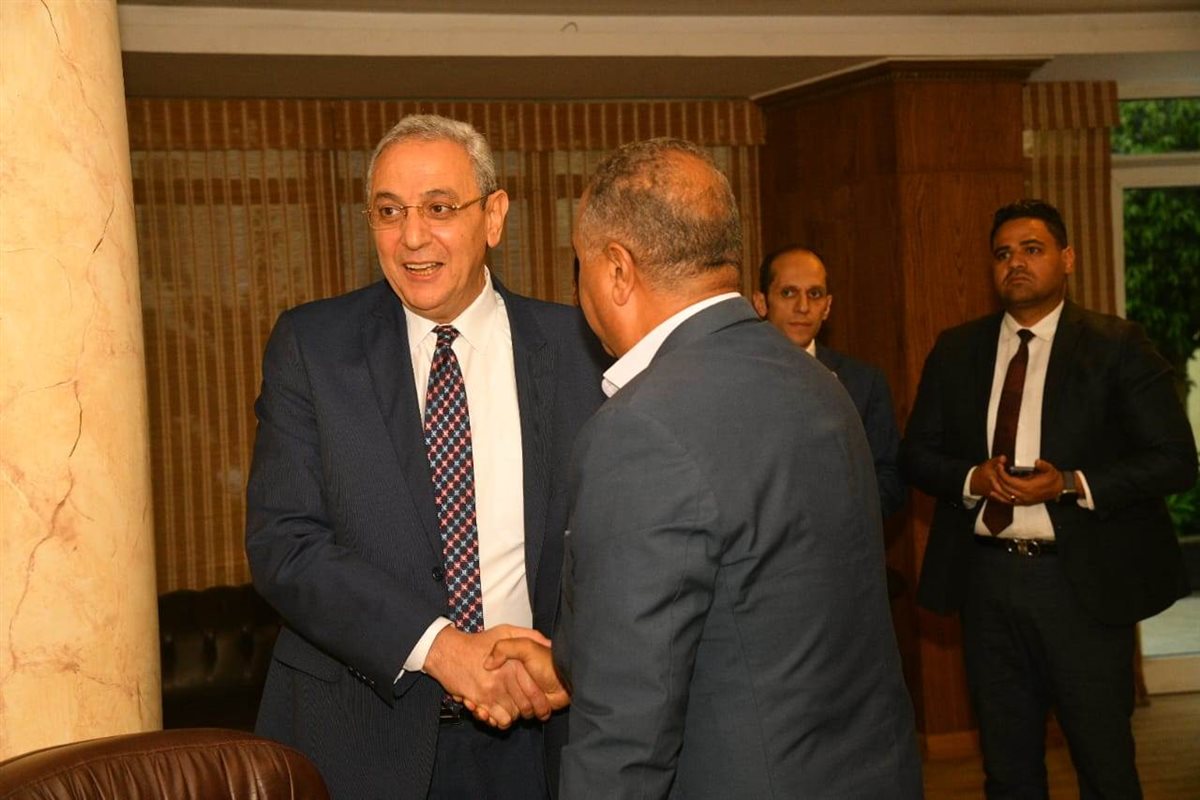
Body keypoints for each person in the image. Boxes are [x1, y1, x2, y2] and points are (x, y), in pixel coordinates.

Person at [486, 138, 922, 799]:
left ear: (617, 270)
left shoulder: (641, 427)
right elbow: (761, 611)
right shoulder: (818, 383)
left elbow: (626, 737)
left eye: (580, 264)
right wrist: (576, 663)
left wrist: (604, 682)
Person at [245, 114, 607, 800]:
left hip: (545, 741)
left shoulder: (581, 350)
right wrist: (443, 649)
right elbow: (284, 544)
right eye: (389, 212)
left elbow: (624, 544)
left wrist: (575, 661)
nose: (412, 236)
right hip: (360, 740)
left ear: (493, 216)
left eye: (439, 208)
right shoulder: (312, 346)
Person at [901, 199, 1196, 799]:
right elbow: (916, 455)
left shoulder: (1116, 346)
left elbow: (1175, 459)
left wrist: (1069, 483)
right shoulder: (957, 349)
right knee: (1008, 770)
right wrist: (972, 478)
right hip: (986, 585)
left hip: (1081, 585)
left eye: (1031, 250)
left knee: (1105, 766)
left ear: (1067, 259)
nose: (1015, 263)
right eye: (1003, 253)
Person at [752, 245, 906, 517]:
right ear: (761, 303)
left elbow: (890, 481)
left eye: (814, 294)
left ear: (827, 306)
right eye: (788, 293)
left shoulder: (864, 383)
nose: (803, 307)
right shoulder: (736, 380)